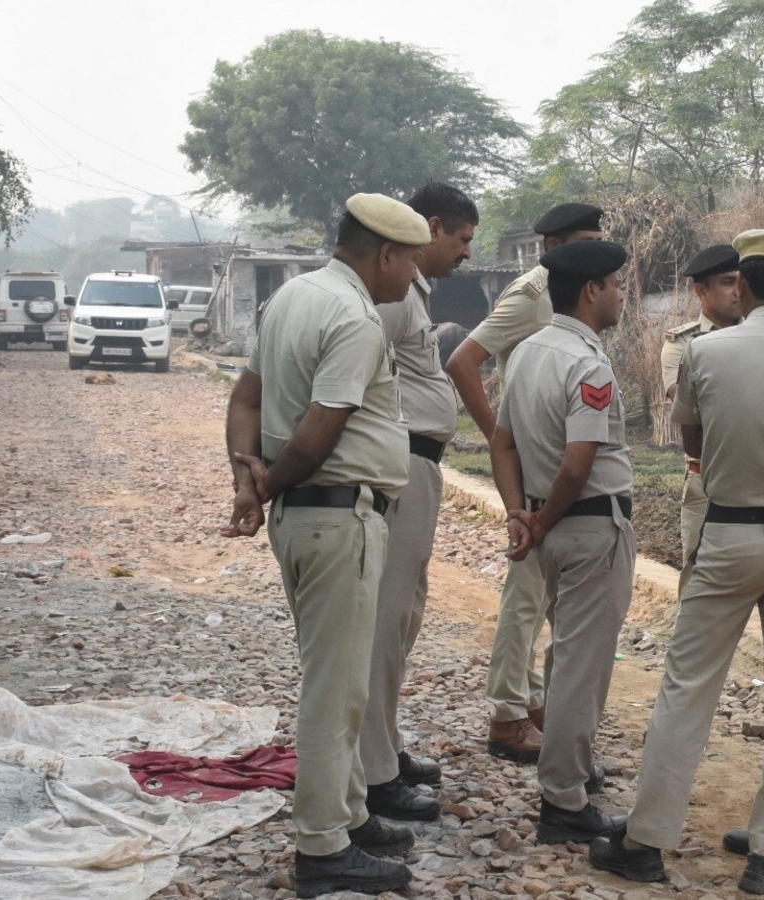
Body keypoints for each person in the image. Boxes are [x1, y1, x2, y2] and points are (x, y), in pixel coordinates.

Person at [590, 230, 764, 895]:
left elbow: (692, 438)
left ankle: (647, 840)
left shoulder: (704, 353)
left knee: (687, 689)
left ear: (739, 287)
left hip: (730, 533)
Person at [221, 193, 430, 898]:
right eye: (412, 266)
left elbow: (244, 398)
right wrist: (269, 484)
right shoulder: (354, 317)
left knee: (337, 675)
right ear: (386, 255)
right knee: (333, 690)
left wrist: (248, 481)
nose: (414, 281)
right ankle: (321, 849)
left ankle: (347, 815)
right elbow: (318, 431)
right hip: (338, 515)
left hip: (308, 518)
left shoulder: (291, 299)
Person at [445, 202, 605, 763]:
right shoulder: (533, 296)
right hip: (542, 468)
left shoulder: (574, 300)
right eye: (583, 241)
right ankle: (509, 715)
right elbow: (464, 361)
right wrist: (501, 442)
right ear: (553, 249)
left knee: (551, 598)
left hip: (564, 465)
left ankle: (536, 706)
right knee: (527, 596)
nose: (593, 252)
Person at [489, 239, 636, 844]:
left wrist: (518, 514)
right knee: (582, 667)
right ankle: (565, 801)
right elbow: (579, 464)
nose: (623, 295)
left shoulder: (525, 353)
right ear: (591, 291)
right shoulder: (586, 363)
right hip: (589, 525)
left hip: (552, 528)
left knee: (564, 657)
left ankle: (565, 784)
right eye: (617, 285)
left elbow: (501, 442)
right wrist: (540, 519)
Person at [357, 183, 479, 825]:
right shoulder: (394, 296)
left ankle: (387, 746)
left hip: (419, 464)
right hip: (399, 462)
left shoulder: (415, 295)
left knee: (403, 617)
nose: (464, 254)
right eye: (460, 240)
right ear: (432, 228)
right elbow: (356, 362)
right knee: (385, 617)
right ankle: (374, 773)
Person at [660, 244, 742, 590]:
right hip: (705, 478)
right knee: (698, 580)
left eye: (741, 281)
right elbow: (689, 407)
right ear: (701, 291)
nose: (738, 290)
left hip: (759, 477)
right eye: (726, 282)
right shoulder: (682, 344)